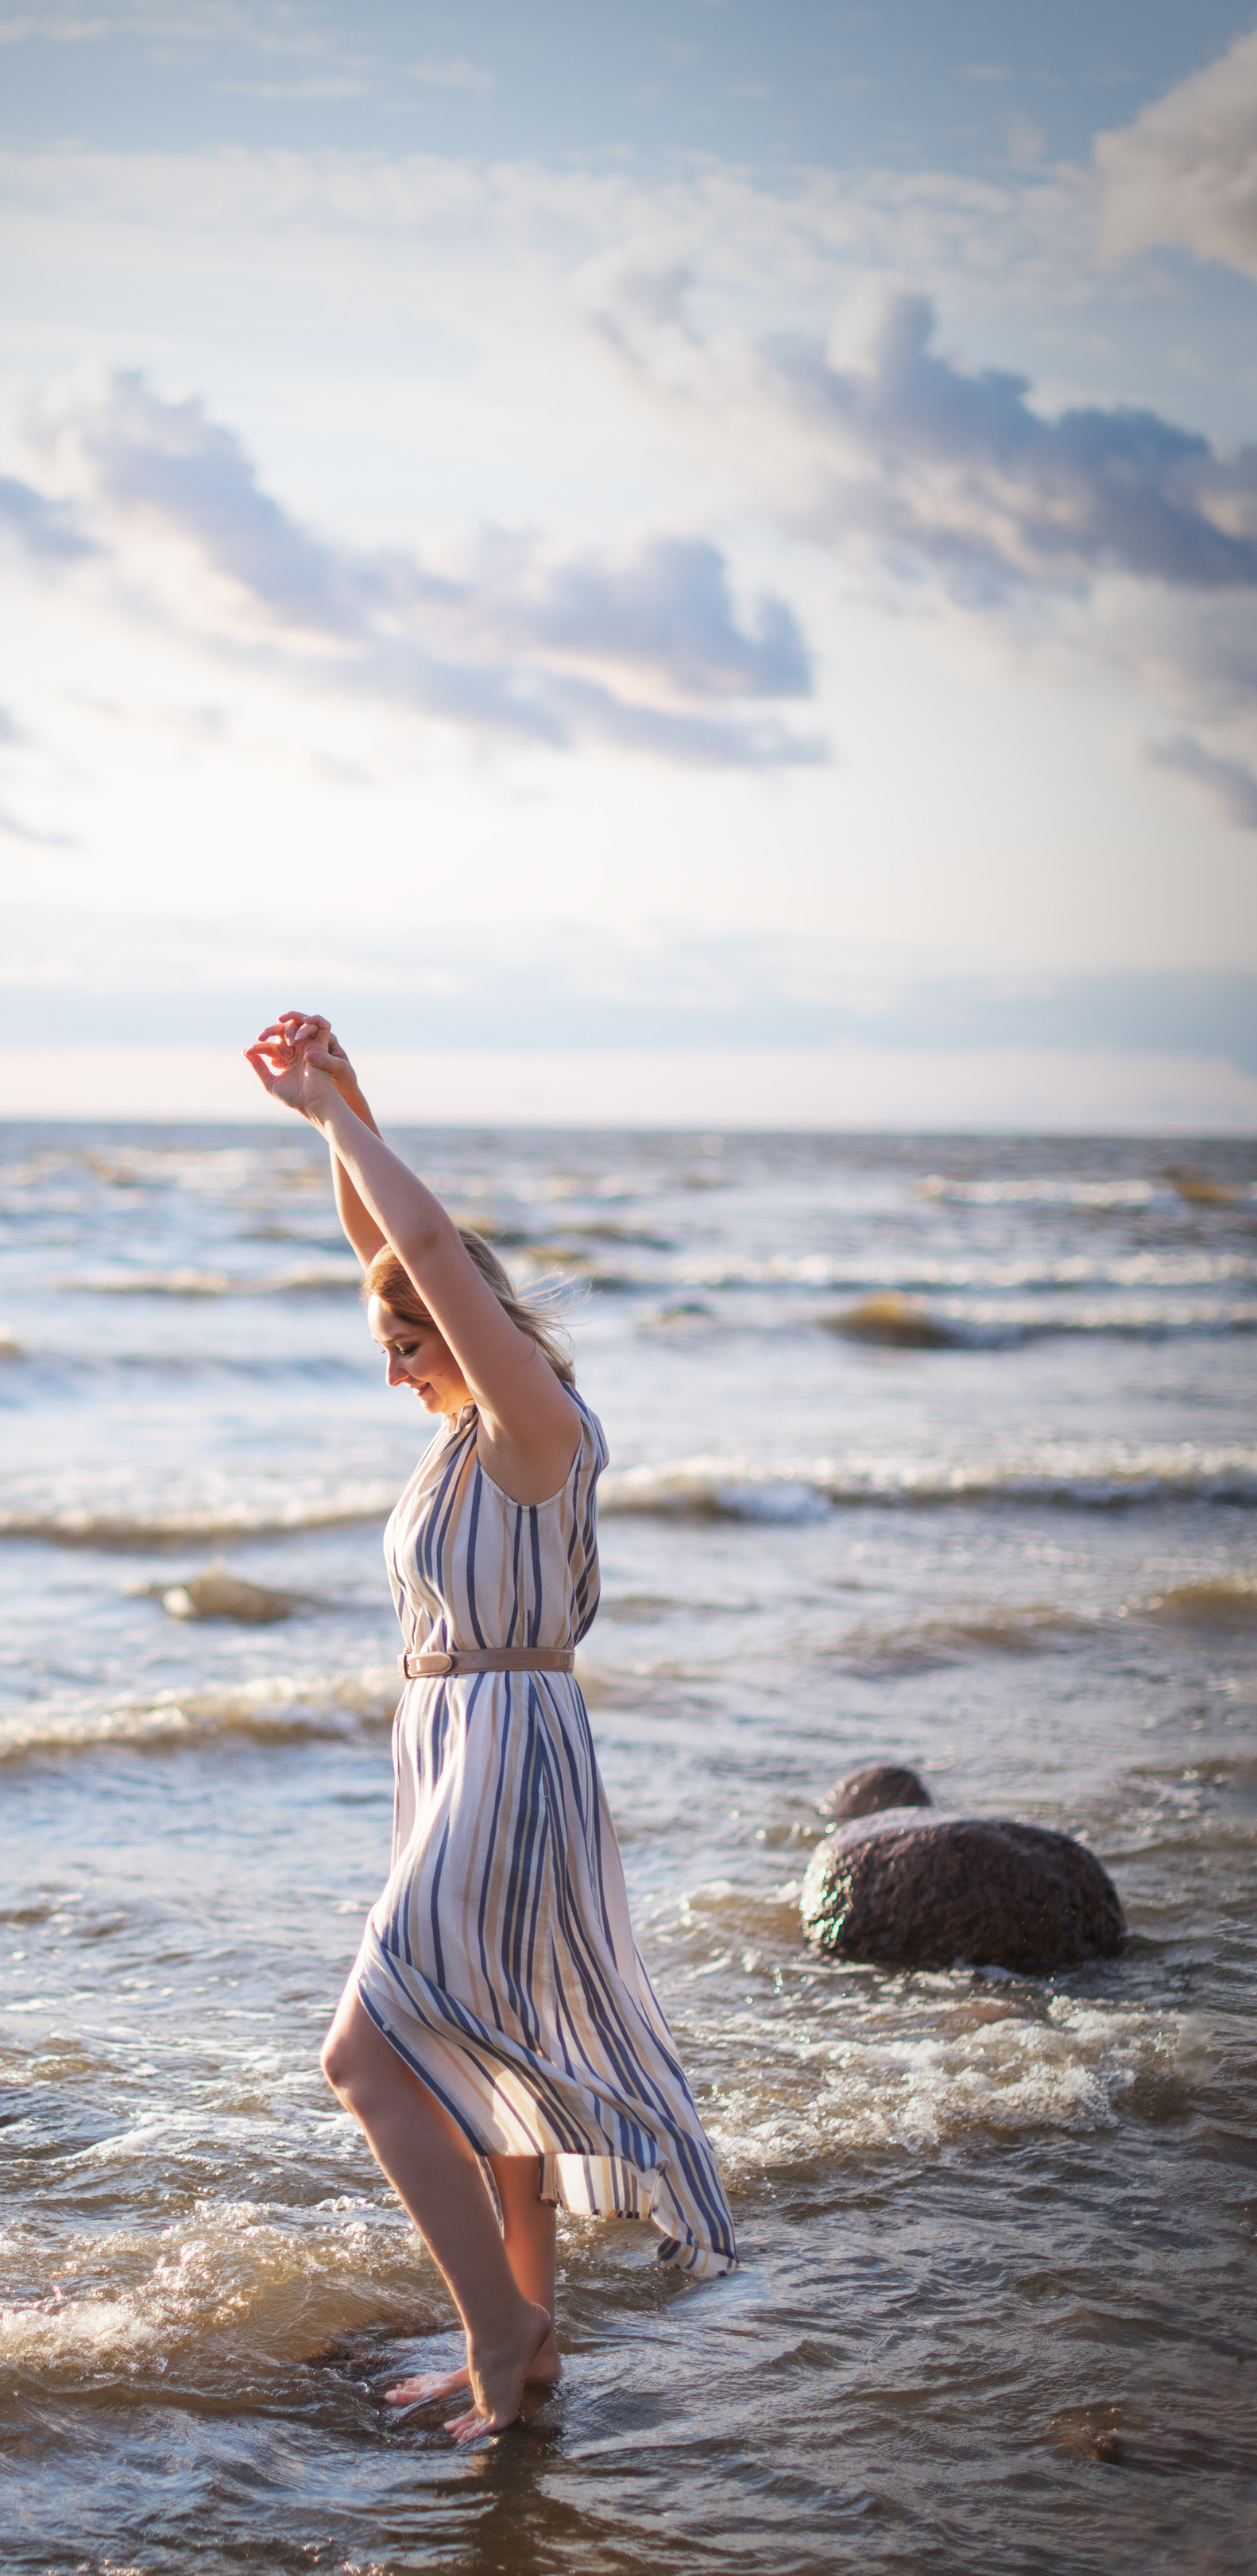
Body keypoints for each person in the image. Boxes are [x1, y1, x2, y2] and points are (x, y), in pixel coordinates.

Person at [245, 1012, 738, 2445]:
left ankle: (497, 2326)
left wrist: (344, 1125)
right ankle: (525, 2358)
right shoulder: (466, 1433)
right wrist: (339, 1105)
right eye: (389, 1343)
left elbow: (437, 1265)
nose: (395, 1363)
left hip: (510, 1755)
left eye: (408, 1343)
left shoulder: (535, 1428)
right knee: (486, 2059)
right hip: (458, 1751)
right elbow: (396, 1257)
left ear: (470, 1327)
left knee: (366, 2056)